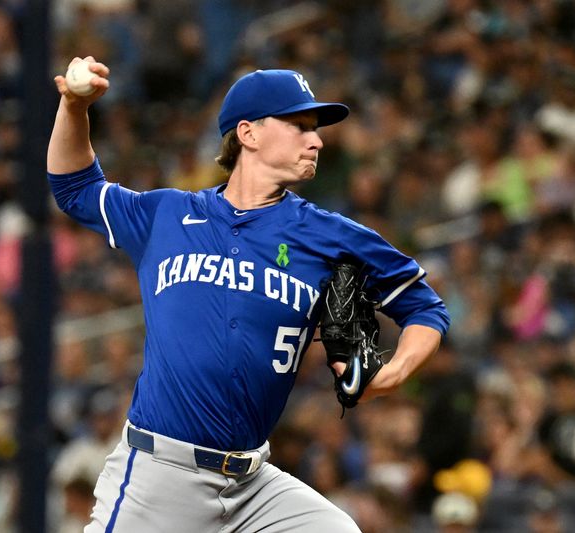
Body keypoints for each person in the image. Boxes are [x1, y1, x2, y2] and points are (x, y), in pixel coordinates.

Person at [47, 56, 450, 532]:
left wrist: (396, 371)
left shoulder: (330, 236)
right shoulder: (169, 215)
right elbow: (73, 186)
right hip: (160, 479)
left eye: (315, 128)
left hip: (253, 488)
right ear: (248, 134)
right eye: (299, 125)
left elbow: (424, 306)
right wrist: (74, 106)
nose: (317, 139)